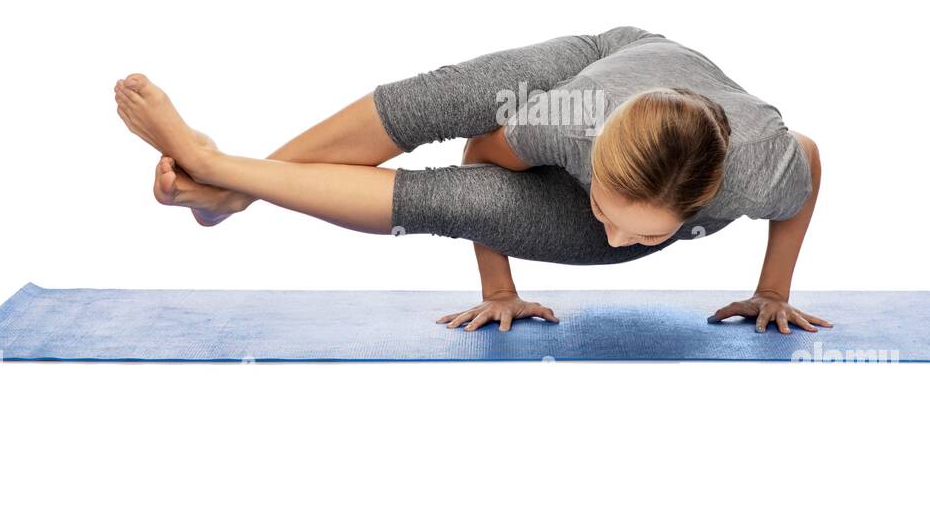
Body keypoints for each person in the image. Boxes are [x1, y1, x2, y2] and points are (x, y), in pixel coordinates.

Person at [114, 26, 830, 335]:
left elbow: (809, 163)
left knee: (459, 206)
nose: (615, 236)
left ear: (706, 202)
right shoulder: (564, 125)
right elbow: (480, 149)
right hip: (613, 58)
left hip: (657, 133)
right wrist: (499, 289)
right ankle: (232, 186)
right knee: (449, 95)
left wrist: (773, 292)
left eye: (641, 230)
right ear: (596, 161)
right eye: (611, 209)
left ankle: (226, 175)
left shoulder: (760, 168)